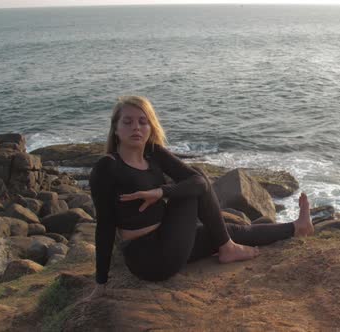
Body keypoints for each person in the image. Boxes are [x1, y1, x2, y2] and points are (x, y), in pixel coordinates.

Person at [85, 95, 314, 299]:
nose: (136, 127)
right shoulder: (108, 167)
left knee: (227, 231)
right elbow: (104, 225)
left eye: (143, 122)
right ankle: (228, 247)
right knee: (192, 190)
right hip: (148, 257)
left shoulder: (154, 153)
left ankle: (296, 228)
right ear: (115, 129)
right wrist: (101, 282)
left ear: (150, 127)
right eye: (128, 122)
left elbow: (197, 182)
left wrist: (161, 192)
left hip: (171, 237)